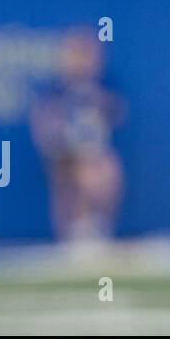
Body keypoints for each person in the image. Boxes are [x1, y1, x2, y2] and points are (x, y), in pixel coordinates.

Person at [30, 28, 126, 243]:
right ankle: (74, 230)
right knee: (81, 172)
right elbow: (43, 127)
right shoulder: (55, 88)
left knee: (107, 170)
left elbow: (118, 114)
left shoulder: (103, 85)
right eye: (78, 54)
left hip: (95, 150)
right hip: (63, 153)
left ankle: (98, 228)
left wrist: (99, 102)